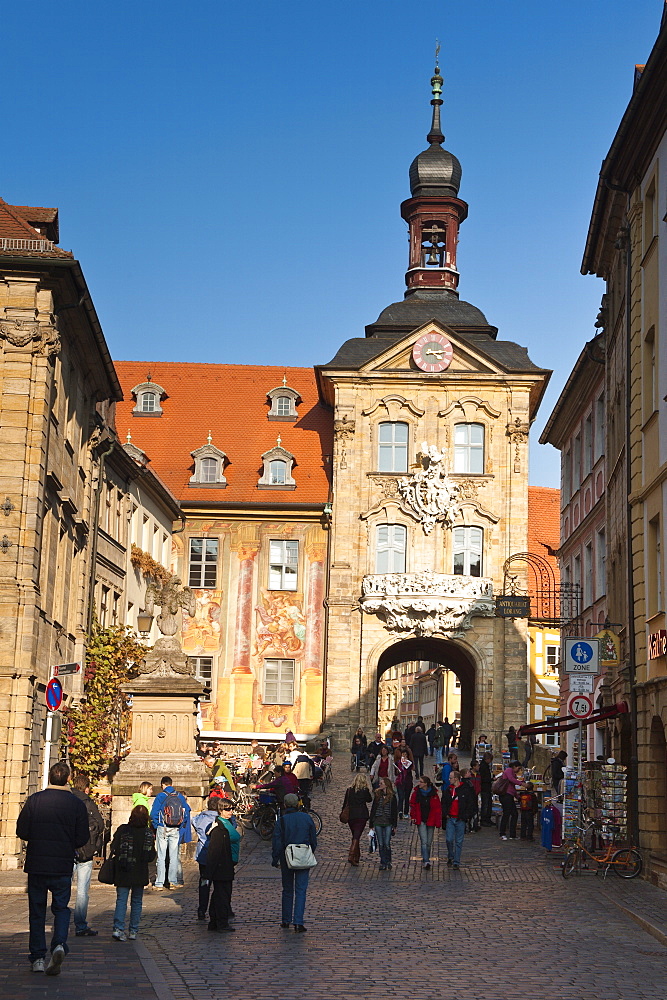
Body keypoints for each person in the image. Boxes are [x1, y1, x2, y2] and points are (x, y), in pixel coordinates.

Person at [16, 761, 89, 975]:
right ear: (68, 779)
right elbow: (82, 837)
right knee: (61, 909)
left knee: (37, 912)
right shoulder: (75, 804)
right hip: (62, 865)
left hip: (38, 864)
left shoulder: (35, 800)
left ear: (49, 777)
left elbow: (22, 830)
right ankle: (58, 944)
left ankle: (38, 957)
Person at [272, 792, 317, 932]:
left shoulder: (282, 820)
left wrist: (275, 859)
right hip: (302, 854)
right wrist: (310, 851)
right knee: (301, 890)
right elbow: (313, 840)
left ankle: (286, 920)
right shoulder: (307, 818)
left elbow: (277, 842)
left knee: (287, 889)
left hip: (287, 856)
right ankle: (298, 921)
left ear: (285, 805)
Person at [110, 805, 156, 941]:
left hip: (123, 870)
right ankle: (133, 931)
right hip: (139, 871)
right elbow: (151, 856)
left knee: (121, 900)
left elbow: (114, 848)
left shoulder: (123, 830)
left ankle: (118, 928)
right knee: (136, 902)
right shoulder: (147, 833)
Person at [70, 773, 105, 938]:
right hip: (85, 851)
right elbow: (100, 825)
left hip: (67, 850)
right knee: (82, 891)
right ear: (86, 788)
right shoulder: (88, 803)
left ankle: (59, 922)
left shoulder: (66, 800)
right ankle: (80, 925)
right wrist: (95, 846)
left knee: (63, 889)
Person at [150, 776, 191, 890]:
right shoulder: (179, 796)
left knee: (161, 856)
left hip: (163, 828)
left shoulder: (161, 796)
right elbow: (186, 811)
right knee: (173, 856)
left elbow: (153, 813)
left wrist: (157, 825)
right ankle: (173, 881)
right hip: (176, 828)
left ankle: (159, 883)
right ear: (171, 784)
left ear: (162, 785)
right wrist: (180, 825)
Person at [206, 801, 241, 933]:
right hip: (222, 864)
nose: (230, 811)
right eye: (227, 809)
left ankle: (215, 921)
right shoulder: (219, 827)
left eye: (232, 808)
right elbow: (214, 851)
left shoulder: (227, 823)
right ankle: (221, 922)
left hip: (227, 863)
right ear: (220, 810)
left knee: (219, 894)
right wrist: (209, 871)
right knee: (222, 895)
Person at [192, 797, 221, 920]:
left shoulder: (200, 818)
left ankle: (202, 909)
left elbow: (193, 821)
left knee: (204, 882)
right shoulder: (220, 819)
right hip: (217, 855)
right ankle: (216, 910)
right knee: (219, 883)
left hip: (203, 855)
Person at [441, 770, 477, 868]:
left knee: (459, 841)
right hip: (450, 818)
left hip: (460, 818)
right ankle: (451, 855)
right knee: (449, 839)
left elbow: (470, 803)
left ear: (456, 778)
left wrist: (466, 816)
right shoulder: (448, 790)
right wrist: (445, 813)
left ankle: (456, 861)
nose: (449, 779)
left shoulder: (465, 789)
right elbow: (443, 803)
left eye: (451, 778)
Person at [409, 775, 440, 869]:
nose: (419, 784)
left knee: (429, 842)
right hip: (421, 819)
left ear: (426, 783)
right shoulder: (416, 793)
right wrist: (413, 816)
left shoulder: (433, 793)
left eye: (421, 782)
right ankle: (426, 861)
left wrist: (438, 820)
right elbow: (412, 805)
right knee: (424, 841)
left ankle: (425, 857)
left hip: (431, 819)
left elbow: (437, 808)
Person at [342, 772, 372, 865]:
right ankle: (351, 855)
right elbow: (369, 799)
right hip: (361, 815)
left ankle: (357, 856)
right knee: (356, 836)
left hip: (351, 815)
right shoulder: (365, 790)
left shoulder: (349, 790)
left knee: (355, 835)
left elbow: (345, 803)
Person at [369, 777, 398, 871]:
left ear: (386, 785)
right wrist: (371, 824)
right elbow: (373, 809)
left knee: (387, 843)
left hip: (388, 822)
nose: (379, 785)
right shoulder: (377, 795)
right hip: (378, 822)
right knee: (381, 844)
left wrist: (394, 825)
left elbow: (394, 811)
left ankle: (388, 861)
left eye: (381, 783)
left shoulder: (392, 797)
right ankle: (383, 862)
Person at [498, 761, 525, 841]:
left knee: (514, 814)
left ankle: (512, 834)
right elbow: (511, 780)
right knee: (507, 813)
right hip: (505, 795)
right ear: (514, 766)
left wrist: (517, 797)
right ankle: (502, 833)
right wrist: (521, 784)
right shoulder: (509, 771)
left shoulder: (513, 774)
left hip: (509, 795)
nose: (518, 770)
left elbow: (512, 787)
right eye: (518, 768)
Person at [395, 749, 414, 818]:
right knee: (400, 797)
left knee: (406, 797)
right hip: (400, 782)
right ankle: (400, 811)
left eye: (406, 755)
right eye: (403, 754)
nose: (404, 756)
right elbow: (395, 772)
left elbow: (409, 771)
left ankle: (406, 812)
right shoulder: (398, 762)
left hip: (407, 782)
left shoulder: (410, 763)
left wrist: (406, 764)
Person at [479, 752, 494, 825]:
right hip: (485, 787)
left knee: (488, 803)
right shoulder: (483, 766)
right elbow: (483, 778)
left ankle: (487, 818)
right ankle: (484, 819)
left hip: (486, 787)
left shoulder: (485, 765)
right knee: (485, 803)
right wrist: (491, 779)